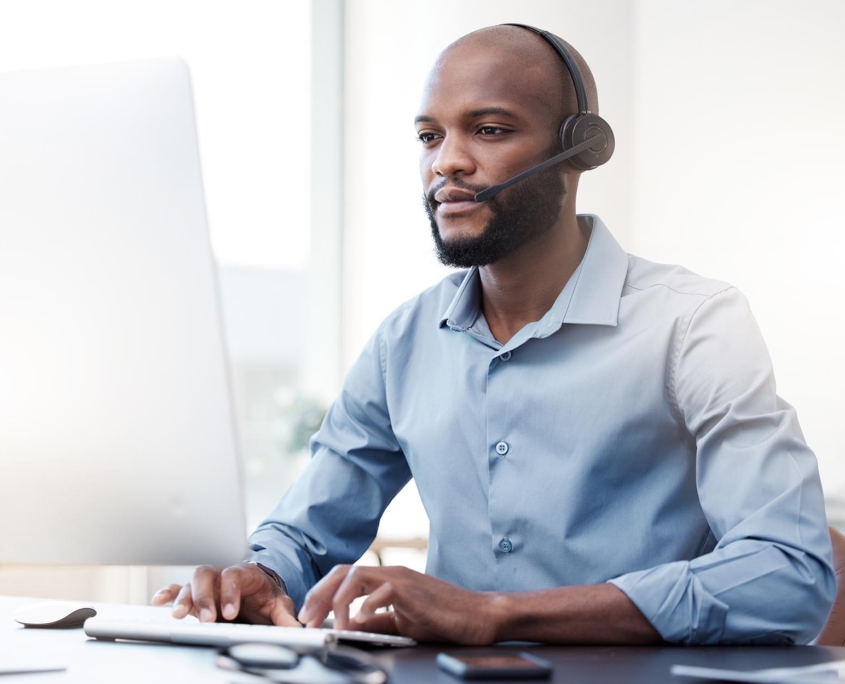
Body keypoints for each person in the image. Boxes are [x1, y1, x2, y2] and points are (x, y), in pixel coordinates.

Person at [153, 24, 836, 645]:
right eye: (429, 136)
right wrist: (262, 577)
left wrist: (494, 615)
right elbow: (304, 533)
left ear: (577, 150)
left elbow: (789, 576)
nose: (445, 163)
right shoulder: (404, 342)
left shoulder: (691, 324)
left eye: (488, 129)